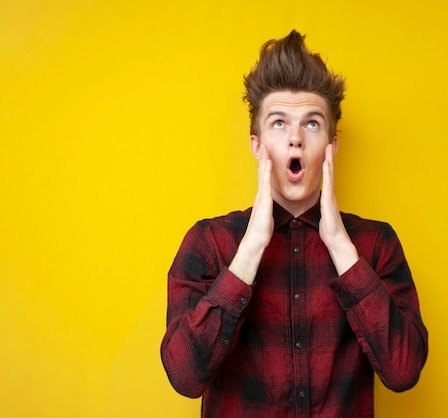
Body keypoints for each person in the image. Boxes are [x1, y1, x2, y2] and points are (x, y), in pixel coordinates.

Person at [161, 30, 428, 417]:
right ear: (257, 144)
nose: (296, 140)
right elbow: (184, 376)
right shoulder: (209, 243)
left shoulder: (376, 244)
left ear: (332, 146)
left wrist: (340, 246)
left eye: (313, 124)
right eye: (279, 124)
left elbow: (403, 371)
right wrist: (250, 250)